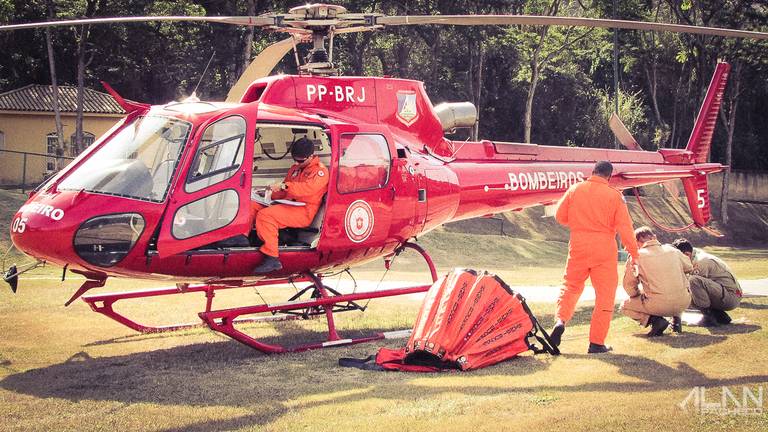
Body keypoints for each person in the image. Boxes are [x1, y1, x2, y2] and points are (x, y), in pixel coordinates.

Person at [551, 160, 639, 354]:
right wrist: (634, 254)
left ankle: (560, 320)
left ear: (592, 172)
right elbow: (625, 228)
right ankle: (596, 343)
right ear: (609, 176)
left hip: (578, 245)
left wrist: (579, 223)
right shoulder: (614, 196)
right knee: (604, 296)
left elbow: (560, 216)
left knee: (570, 286)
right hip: (604, 249)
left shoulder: (575, 189)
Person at [251, 137, 329, 273]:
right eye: (295, 159)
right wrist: (269, 193)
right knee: (252, 206)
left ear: (311, 156)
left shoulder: (320, 172)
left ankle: (271, 257)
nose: (296, 163)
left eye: (300, 160)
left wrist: (284, 186)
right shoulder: (295, 169)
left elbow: (307, 189)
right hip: (288, 205)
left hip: (304, 211)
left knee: (266, 215)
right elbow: (284, 191)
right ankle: (240, 240)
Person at [620, 226, 692, 336]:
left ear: (636, 242)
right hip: (683, 302)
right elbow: (689, 267)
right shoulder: (673, 251)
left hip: (658, 304)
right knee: (673, 285)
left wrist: (638, 296)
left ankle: (655, 320)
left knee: (624, 306)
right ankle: (676, 320)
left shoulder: (637, 256)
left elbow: (629, 286)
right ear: (654, 237)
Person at [672, 238, 741, 326]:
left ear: (687, 254)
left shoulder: (701, 262)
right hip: (728, 294)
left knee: (692, 281)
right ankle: (719, 316)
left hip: (731, 297)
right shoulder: (696, 255)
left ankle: (708, 318)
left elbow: (691, 288)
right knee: (692, 289)